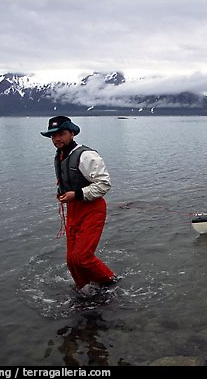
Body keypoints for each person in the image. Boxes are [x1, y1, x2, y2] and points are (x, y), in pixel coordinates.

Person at [41, 115, 117, 290]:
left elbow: (104, 184)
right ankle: (83, 289)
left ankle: (111, 283)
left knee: (82, 257)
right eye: (53, 135)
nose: (56, 139)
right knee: (71, 261)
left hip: (92, 209)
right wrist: (62, 193)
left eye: (61, 134)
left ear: (72, 133)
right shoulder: (61, 156)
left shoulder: (86, 155)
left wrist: (75, 194)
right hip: (73, 210)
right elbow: (68, 181)